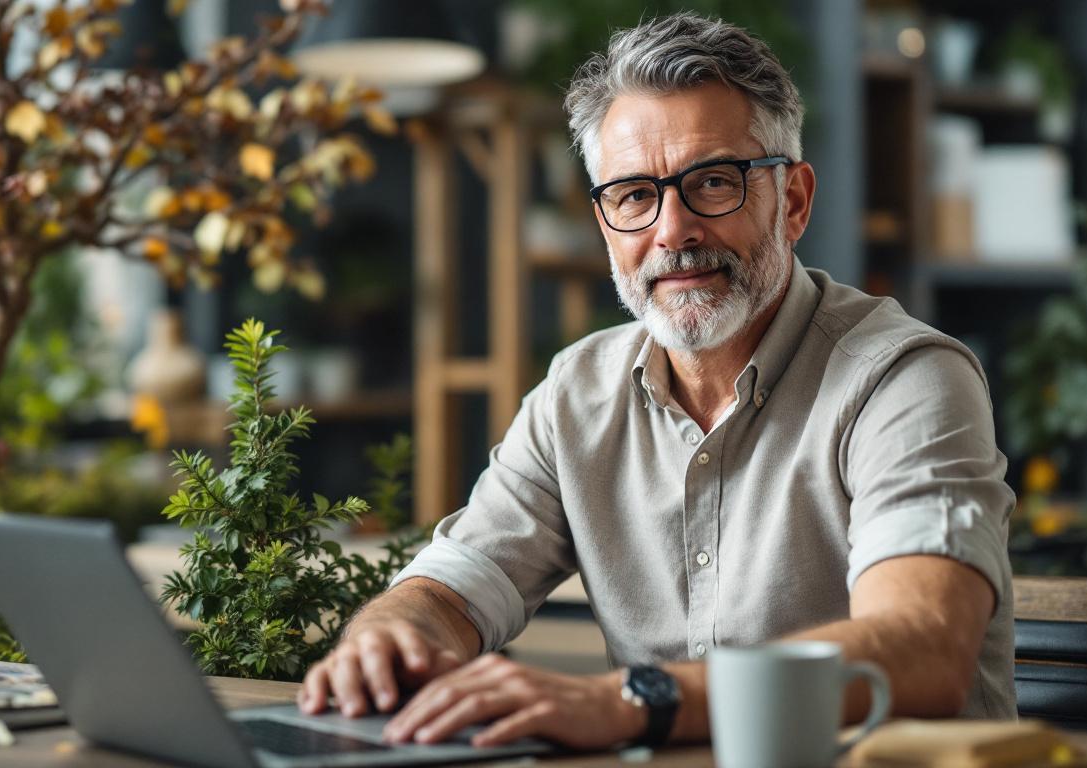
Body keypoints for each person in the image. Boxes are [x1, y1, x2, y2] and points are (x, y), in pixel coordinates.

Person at [299, 12, 1016, 749]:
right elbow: (456, 584)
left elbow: (922, 647)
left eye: (713, 182)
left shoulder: (903, 379)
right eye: (635, 195)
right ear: (606, 220)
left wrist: (631, 700)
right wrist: (388, 638)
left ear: (793, 202)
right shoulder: (576, 395)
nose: (672, 230)